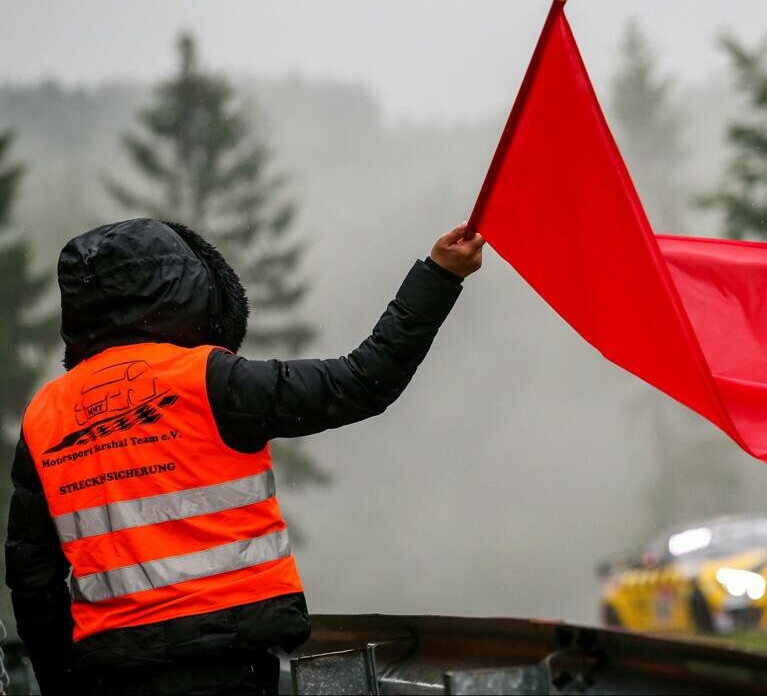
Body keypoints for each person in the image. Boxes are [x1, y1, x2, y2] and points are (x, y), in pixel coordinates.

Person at [4, 218, 484, 695]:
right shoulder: (208, 380)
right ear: (187, 287)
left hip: (108, 677)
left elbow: (33, 582)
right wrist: (440, 275)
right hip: (225, 672)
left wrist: (63, 685)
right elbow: (363, 381)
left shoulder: (45, 414)